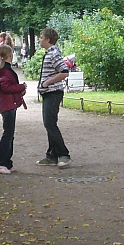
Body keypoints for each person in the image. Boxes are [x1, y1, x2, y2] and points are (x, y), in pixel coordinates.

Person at [37, 27, 71, 168]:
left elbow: (64, 72)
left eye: (41, 37)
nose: (39, 40)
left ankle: (64, 155)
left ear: (47, 39)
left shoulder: (53, 54)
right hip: (48, 93)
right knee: (49, 123)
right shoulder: (50, 53)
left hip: (53, 92)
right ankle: (51, 156)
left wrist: (47, 82)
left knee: (50, 123)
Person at [0, 44, 27, 175]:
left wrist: (19, 91)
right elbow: (6, 87)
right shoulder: (6, 71)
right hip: (8, 105)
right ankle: (0, 163)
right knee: (8, 134)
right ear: (10, 55)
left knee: (10, 134)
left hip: (9, 104)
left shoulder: (5, 70)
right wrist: (21, 87)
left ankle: (7, 162)